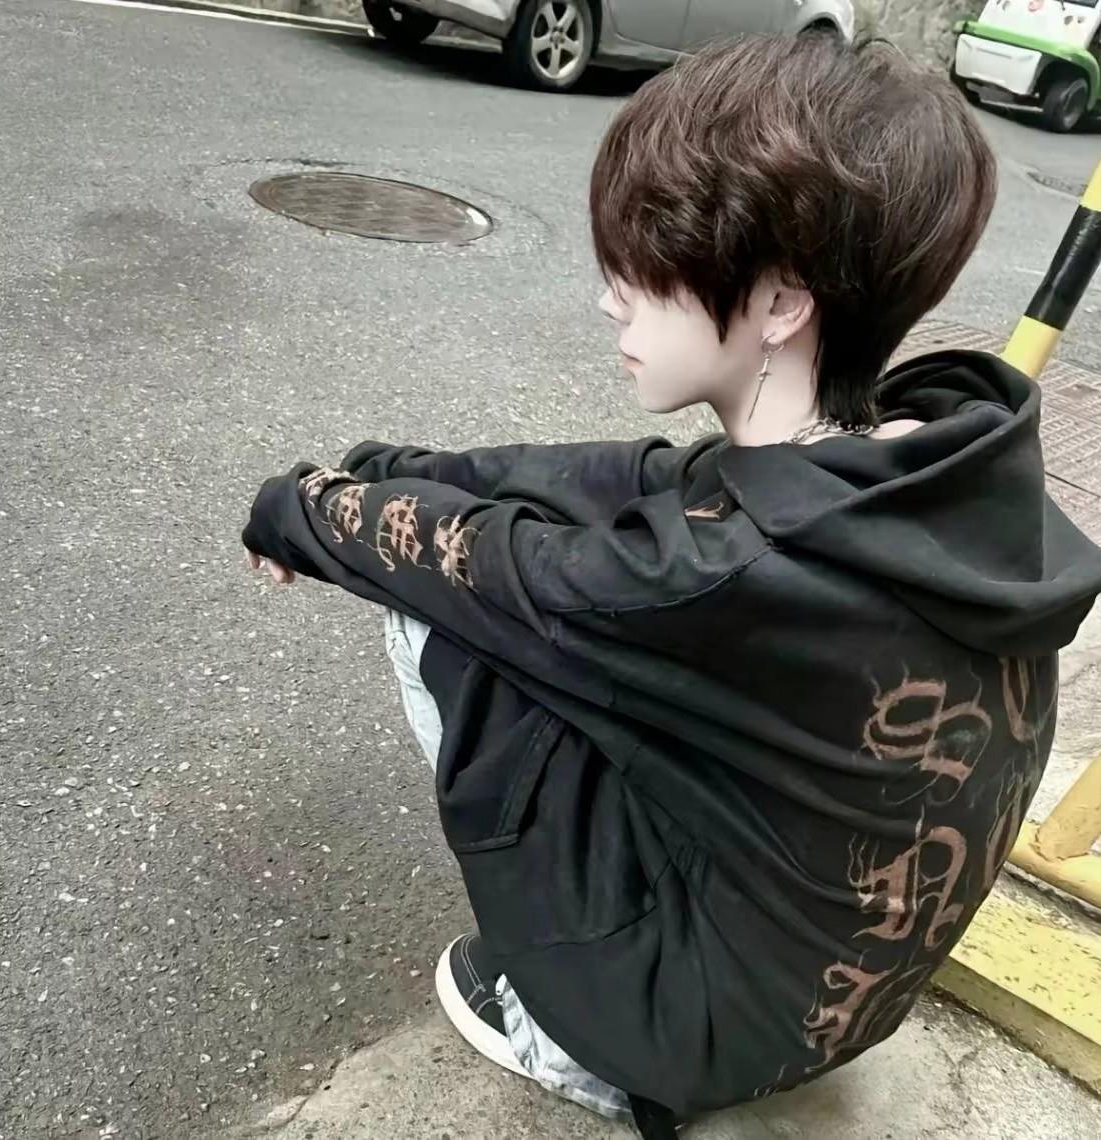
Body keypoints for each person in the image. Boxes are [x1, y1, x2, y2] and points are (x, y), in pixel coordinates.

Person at [241, 33, 1101, 1140]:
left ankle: (579, 1045)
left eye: (644, 267)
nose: (610, 300)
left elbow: (493, 564)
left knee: (442, 619)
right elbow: (615, 480)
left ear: (781, 301)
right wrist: (387, 467)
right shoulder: (917, 455)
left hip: (716, 1028)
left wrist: (304, 509)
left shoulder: (725, 567)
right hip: (846, 998)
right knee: (510, 581)